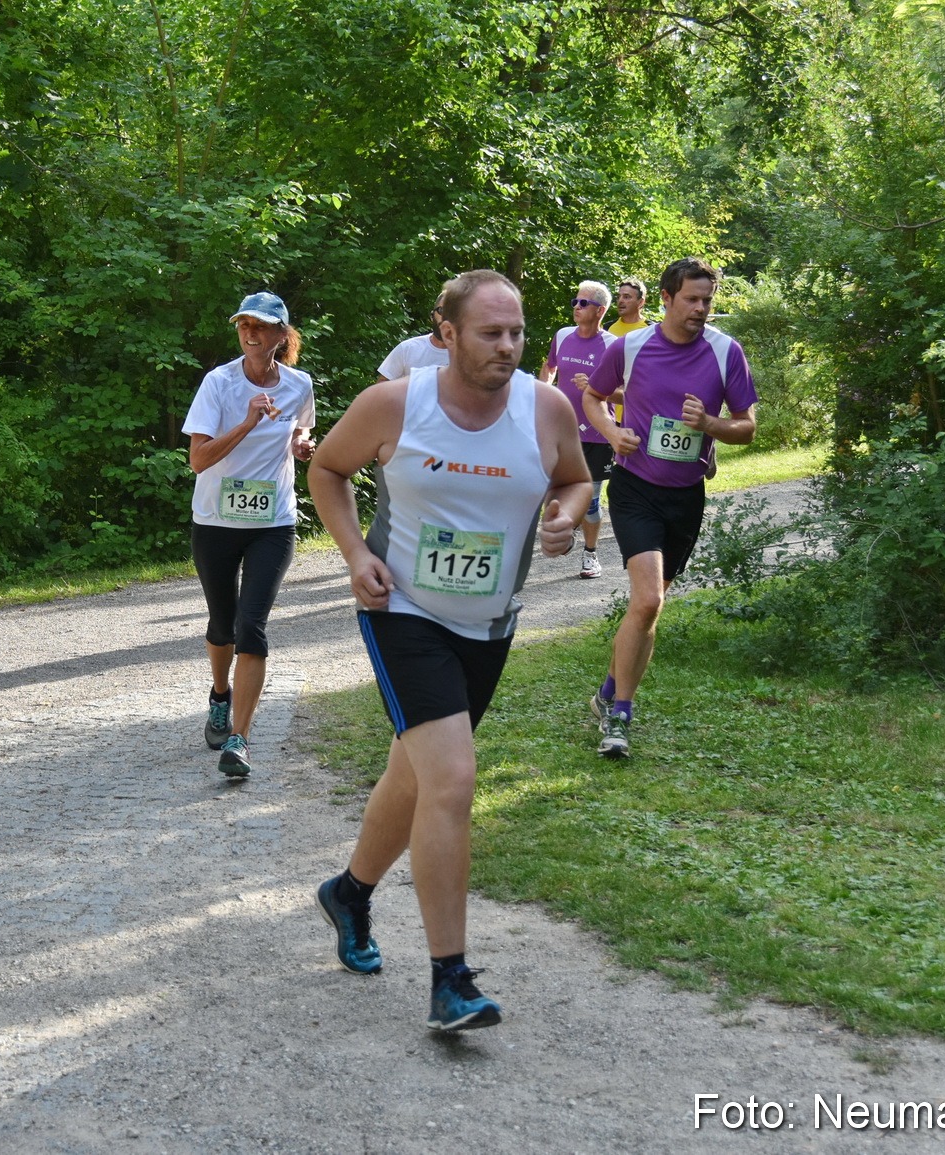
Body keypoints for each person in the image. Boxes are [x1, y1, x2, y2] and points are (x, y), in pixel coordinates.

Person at [307, 270, 592, 1031]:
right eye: (491, 333)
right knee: (455, 779)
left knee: (416, 776)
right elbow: (328, 468)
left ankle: (350, 893)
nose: (508, 347)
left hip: (489, 626)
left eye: (518, 332)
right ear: (447, 332)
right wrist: (351, 553)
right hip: (401, 609)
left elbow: (576, 481)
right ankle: (451, 978)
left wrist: (566, 516)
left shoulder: (547, 408)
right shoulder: (396, 404)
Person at [581, 258, 756, 758]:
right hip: (635, 488)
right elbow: (593, 398)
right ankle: (620, 718)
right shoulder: (631, 346)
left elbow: (747, 426)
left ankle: (607, 693)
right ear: (667, 298)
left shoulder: (726, 352)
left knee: (650, 604)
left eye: (708, 300)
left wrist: (711, 426)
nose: (702, 308)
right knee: (649, 601)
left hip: (686, 495)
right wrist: (612, 432)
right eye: (692, 299)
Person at [183, 291, 316, 777]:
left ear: (282, 335)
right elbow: (198, 459)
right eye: (244, 325)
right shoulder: (217, 384)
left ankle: (239, 739)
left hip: (273, 523)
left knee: (251, 626)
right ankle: (220, 692)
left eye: (261, 326)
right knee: (223, 624)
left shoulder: (299, 385)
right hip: (216, 521)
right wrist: (247, 421)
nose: (250, 333)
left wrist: (302, 446)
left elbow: (301, 432)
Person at [539, 280, 619, 578]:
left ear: (600, 311)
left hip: (598, 433)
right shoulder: (562, 336)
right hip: (562, 430)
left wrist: (600, 389)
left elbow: (628, 391)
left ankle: (591, 554)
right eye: (575, 301)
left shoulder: (612, 345)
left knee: (590, 501)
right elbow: (550, 367)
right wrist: (544, 389)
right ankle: (568, 526)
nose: (575, 307)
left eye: (583, 303)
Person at [375, 292, 450, 381]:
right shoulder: (407, 349)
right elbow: (383, 386)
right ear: (432, 315)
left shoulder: (468, 355)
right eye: (442, 310)